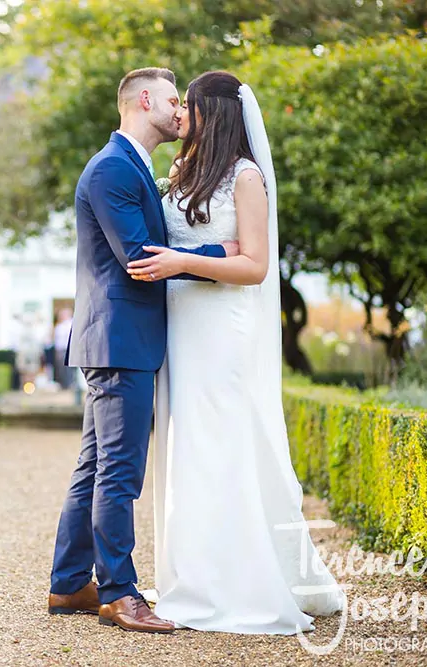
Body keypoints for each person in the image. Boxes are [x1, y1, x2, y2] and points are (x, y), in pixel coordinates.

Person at [124, 70, 343, 633]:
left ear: (213, 113)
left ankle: (237, 581)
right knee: (188, 448)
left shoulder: (246, 177)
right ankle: (192, 573)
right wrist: (185, 258)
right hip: (184, 330)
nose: (181, 117)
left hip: (224, 332)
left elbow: (254, 265)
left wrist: (183, 263)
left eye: (188, 107)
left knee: (224, 446)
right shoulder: (179, 171)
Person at [47, 67, 237, 634]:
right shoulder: (112, 168)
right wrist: (217, 252)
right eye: (174, 100)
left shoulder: (134, 165)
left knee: (95, 467)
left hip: (118, 339)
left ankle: (68, 583)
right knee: (120, 473)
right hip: (119, 341)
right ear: (145, 100)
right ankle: (119, 594)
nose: (181, 111)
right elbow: (138, 257)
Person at [52, 308, 74, 389]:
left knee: (68, 369)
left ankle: (69, 383)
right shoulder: (59, 325)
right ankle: (64, 384)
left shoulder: (70, 324)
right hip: (59, 350)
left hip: (67, 349)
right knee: (61, 369)